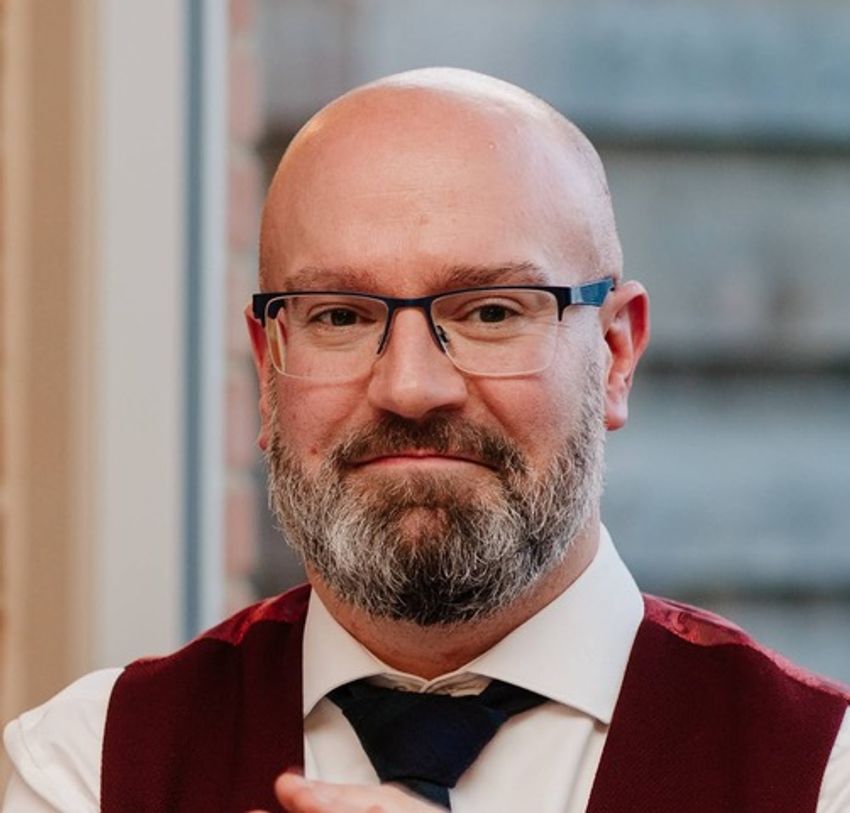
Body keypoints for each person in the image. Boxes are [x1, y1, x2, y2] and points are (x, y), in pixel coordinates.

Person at [3, 68, 849, 813]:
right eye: (338, 315)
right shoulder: (87, 766)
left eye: (490, 312)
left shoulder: (823, 775)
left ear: (615, 353)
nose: (410, 387)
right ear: (268, 369)